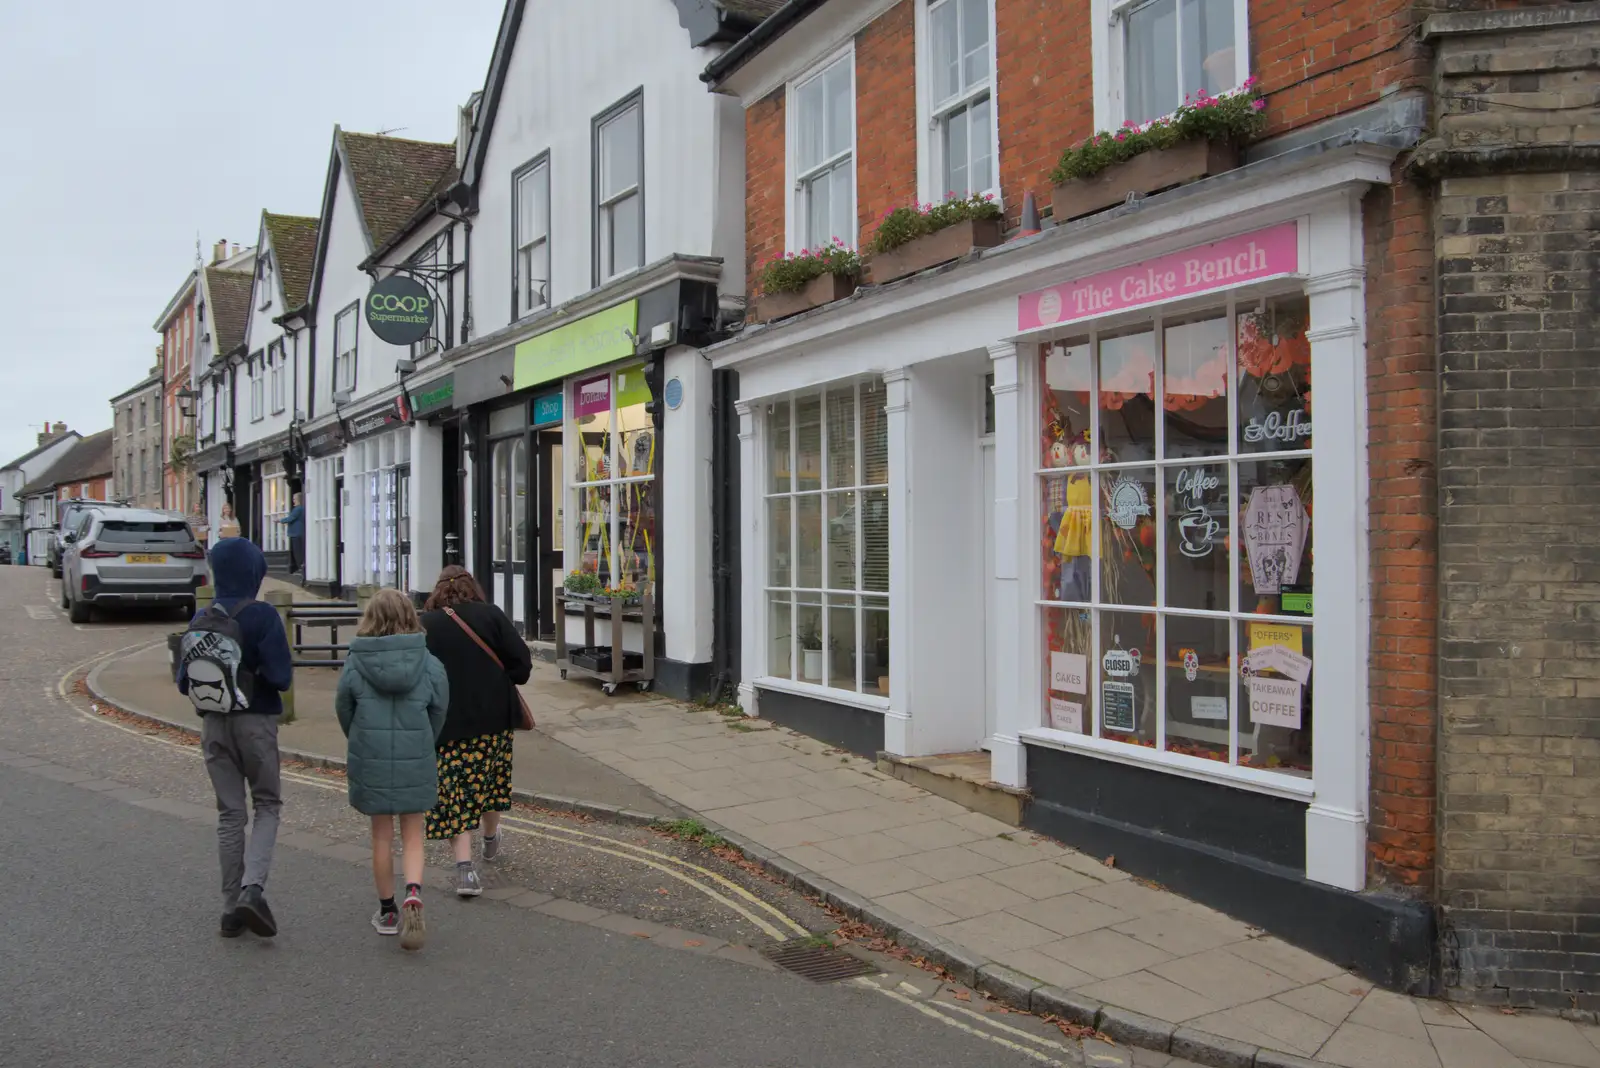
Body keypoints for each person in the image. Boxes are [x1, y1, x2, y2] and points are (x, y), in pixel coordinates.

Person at [177, 537, 292, 939]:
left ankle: (229, 911)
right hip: (255, 723)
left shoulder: (201, 618)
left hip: (213, 724)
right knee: (267, 804)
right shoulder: (262, 616)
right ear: (255, 572)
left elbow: (182, 683)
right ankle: (252, 890)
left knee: (230, 815)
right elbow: (281, 678)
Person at [336, 588, 449, 951]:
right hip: (416, 754)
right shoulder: (430, 663)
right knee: (414, 833)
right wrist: (422, 743)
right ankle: (413, 896)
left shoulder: (355, 661)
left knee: (381, 836)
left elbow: (345, 711)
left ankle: (387, 912)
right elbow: (439, 712)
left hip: (372, 756)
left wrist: (362, 741)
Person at [419, 566, 532, 896]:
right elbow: (522, 666)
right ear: (473, 588)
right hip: (494, 718)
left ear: (438, 591)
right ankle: (490, 838)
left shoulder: (426, 624)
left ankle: (465, 869)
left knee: (455, 791)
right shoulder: (491, 615)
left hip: (448, 722)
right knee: (490, 779)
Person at [278, 492, 306, 575]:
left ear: (298, 499)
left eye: (294, 499)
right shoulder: (302, 508)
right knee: (299, 551)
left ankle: (300, 568)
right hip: (299, 533)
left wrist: (280, 520)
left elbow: (291, 518)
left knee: (298, 552)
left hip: (296, 533)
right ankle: (300, 567)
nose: (293, 501)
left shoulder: (298, 509)